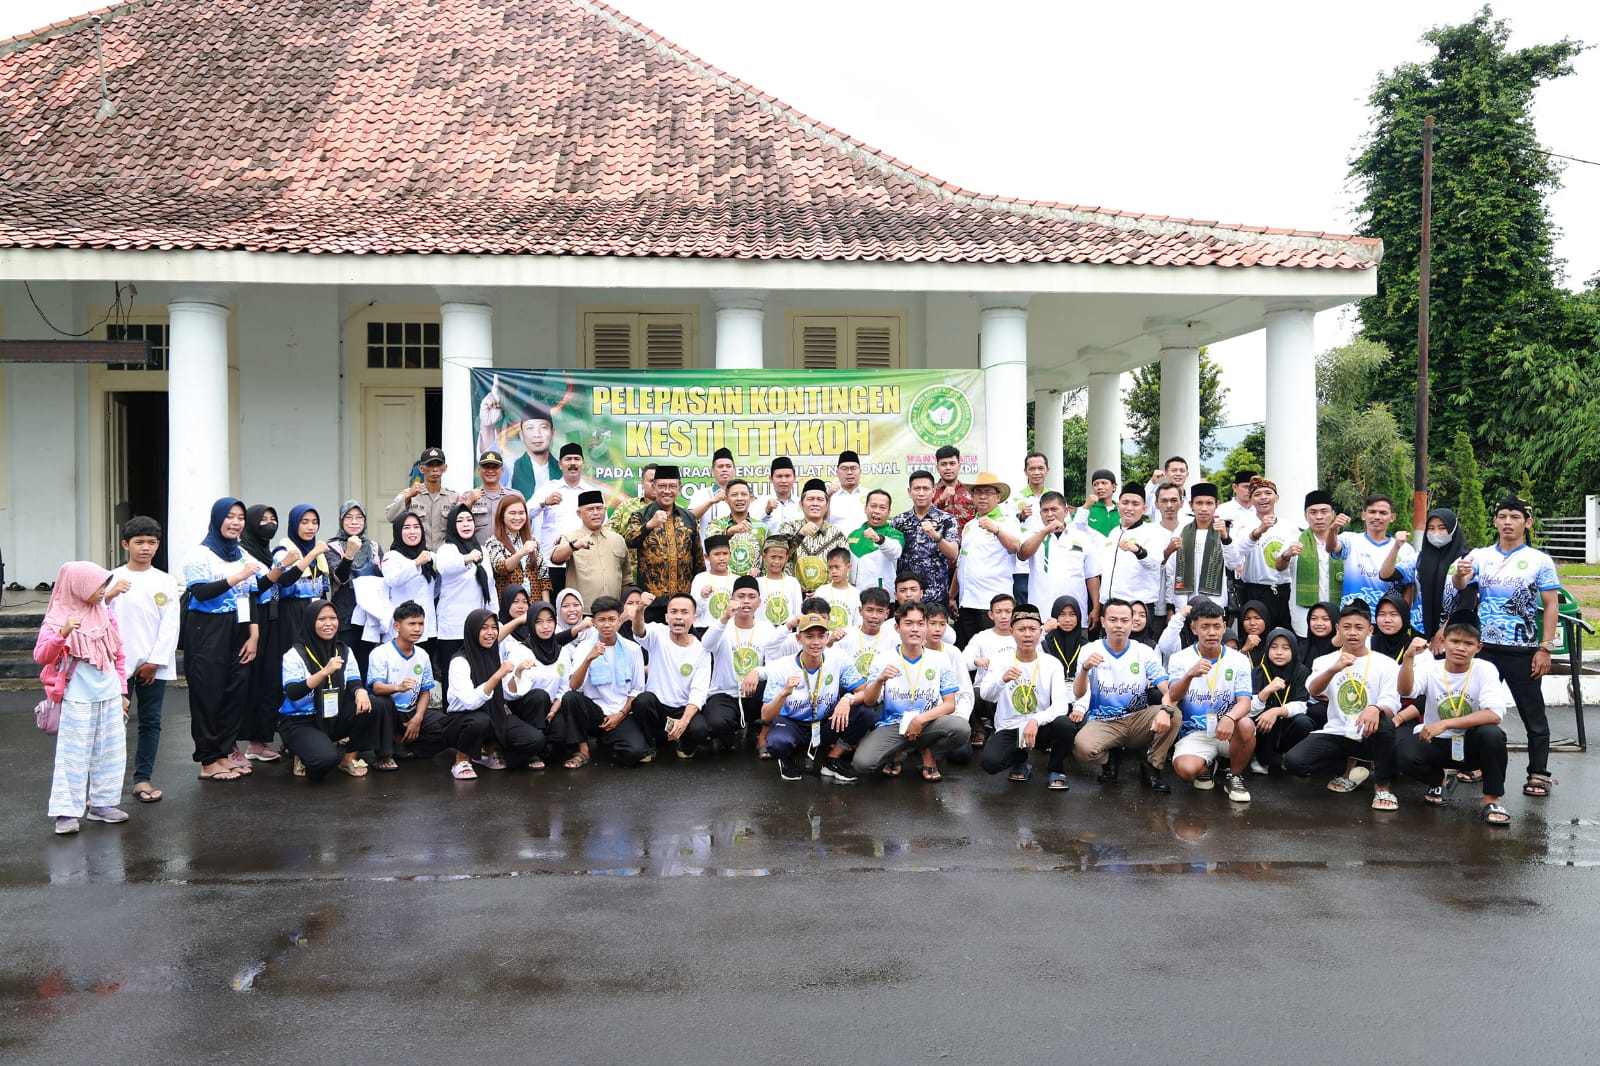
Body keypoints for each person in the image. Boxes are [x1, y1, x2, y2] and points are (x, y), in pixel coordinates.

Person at [1451, 496, 1561, 799]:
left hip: (1523, 649)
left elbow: (1551, 605)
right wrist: (1460, 575)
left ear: (1527, 522)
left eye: (1515, 516)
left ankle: (1539, 773)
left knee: (1533, 715)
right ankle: (1476, 765)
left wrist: (1545, 648)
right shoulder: (1480, 555)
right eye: (1503, 516)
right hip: (1483, 649)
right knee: (1476, 709)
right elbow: (1462, 587)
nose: (1508, 522)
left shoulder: (1540, 560)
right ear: (1496, 521)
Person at [38, 563, 130, 834]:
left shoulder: (104, 613)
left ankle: (103, 805)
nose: (103, 591)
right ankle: (66, 812)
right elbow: (42, 656)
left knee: (111, 753)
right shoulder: (58, 617)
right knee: (73, 756)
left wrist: (122, 691)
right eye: (99, 586)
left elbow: (118, 654)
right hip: (76, 696)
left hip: (109, 693)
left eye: (104, 585)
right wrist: (63, 634)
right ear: (79, 586)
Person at [1394, 616, 1513, 825]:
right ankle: (1438, 782)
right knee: (1402, 752)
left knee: (1492, 735)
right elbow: (1405, 691)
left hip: (1470, 745)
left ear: (1478, 647)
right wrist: (1408, 658)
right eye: (1455, 641)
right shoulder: (1431, 669)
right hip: (1436, 742)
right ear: (1443, 642)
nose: (1460, 648)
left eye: (1468, 644)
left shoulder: (1485, 669)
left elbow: (1494, 714)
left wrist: (1445, 723)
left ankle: (1492, 801)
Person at [1288, 600, 1402, 811]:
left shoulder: (1386, 663)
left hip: (1370, 732)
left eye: (1359, 628)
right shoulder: (1325, 661)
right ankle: (1349, 767)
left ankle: (1382, 788)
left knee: (1385, 723)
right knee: (1294, 762)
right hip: (1339, 732)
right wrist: (1333, 669)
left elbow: (1391, 702)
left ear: (1370, 630)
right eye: (1346, 627)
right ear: (1338, 629)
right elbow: (1313, 691)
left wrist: (1374, 708)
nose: (1352, 633)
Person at [182, 498, 262, 783]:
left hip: (239, 627)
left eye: (240, 517)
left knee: (234, 692)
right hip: (207, 628)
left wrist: (254, 634)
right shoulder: (200, 555)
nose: (236, 522)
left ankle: (224, 753)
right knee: (208, 694)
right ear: (217, 519)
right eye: (230, 516)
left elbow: (251, 594)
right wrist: (238, 576)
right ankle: (208, 760)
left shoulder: (240, 553)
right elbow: (201, 592)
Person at [850, 600, 968, 782]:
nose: (915, 629)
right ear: (897, 628)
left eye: (920, 624)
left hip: (928, 722)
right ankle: (899, 751)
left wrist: (920, 720)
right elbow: (869, 702)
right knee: (862, 764)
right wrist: (880, 680)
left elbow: (950, 704)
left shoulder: (940, 659)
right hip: (893, 724)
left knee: (960, 729)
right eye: (908, 624)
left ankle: (929, 754)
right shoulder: (883, 659)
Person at [109, 517, 180, 805]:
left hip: (154, 665)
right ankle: (106, 786)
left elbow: (170, 625)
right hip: (116, 665)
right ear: (126, 544)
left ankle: (142, 779)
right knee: (112, 725)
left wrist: (155, 660)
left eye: (152, 542)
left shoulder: (164, 580)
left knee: (150, 722)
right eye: (139, 542)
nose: (146, 548)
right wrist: (109, 594)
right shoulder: (111, 578)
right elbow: (99, 618)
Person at [1071, 599, 1175, 792]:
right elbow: (1078, 693)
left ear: (1131, 622)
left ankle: (1152, 767)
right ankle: (1111, 757)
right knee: (1082, 749)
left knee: (1174, 712)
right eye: (1113, 619)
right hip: (1104, 721)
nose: (1119, 625)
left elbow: (1167, 689)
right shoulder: (1090, 650)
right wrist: (1085, 668)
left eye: (1124, 620)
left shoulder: (1143, 652)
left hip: (1137, 719)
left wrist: (1166, 709)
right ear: (1103, 621)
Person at [758, 611, 873, 782]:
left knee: (865, 712)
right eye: (809, 636)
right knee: (777, 743)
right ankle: (787, 759)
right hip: (793, 724)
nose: (816, 642)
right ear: (799, 639)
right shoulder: (781, 667)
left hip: (824, 723)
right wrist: (784, 693)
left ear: (827, 638)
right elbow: (765, 716)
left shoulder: (838, 658)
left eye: (821, 636)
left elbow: (865, 692)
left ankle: (832, 760)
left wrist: (847, 699)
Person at [976, 602, 1077, 790]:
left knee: (1065, 724)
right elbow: (985, 694)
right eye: (1022, 629)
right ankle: (1020, 760)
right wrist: (1002, 679)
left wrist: (1036, 721)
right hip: (1010, 726)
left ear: (1040, 632)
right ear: (1012, 631)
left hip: (1041, 727)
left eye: (1032, 629)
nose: (1028, 634)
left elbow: (1062, 705)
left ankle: (1056, 769)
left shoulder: (1051, 663)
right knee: (990, 763)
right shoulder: (1001, 659)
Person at [1163, 598, 1256, 802]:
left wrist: (1230, 718)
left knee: (1247, 724)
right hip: (1195, 732)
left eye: (1216, 626)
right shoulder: (1180, 659)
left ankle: (1234, 775)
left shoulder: (1238, 659)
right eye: (1205, 627)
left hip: (1227, 730)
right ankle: (1207, 767)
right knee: (1186, 771)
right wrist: (1189, 675)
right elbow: (1174, 695)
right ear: (1194, 628)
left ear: (1224, 627)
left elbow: (1245, 702)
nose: (1212, 632)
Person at [276, 599, 378, 780]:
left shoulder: (343, 650)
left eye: (333, 618)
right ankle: (300, 751)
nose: (329, 623)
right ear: (310, 622)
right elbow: (293, 692)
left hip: (332, 716)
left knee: (374, 704)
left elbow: (354, 680)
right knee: (323, 761)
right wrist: (324, 672)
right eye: (322, 619)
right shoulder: (294, 654)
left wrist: (360, 691)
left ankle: (348, 759)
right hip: (301, 721)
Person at [444, 609, 551, 778]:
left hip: (494, 714)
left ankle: (487, 751)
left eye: (494, 627)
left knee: (535, 739)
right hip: (463, 719)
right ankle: (461, 759)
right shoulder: (459, 661)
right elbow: (469, 701)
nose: (490, 633)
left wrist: (518, 673)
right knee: (480, 721)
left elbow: (506, 692)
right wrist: (497, 675)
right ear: (472, 631)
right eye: (484, 628)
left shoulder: (493, 653)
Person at [549, 596, 650, 769]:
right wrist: (589, 659)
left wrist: (621, 715)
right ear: (594, 622)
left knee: (636, 753)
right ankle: (583, 749)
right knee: (571, 698)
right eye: (601, 620)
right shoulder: (585, 646)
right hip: (593, 713)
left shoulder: (632, 649)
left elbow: (637, 689)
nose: (607, 625)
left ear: (619, 621)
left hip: (620, 713)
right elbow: (574, 685)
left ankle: (609, 741)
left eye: (612, 619)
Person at [626, 592, 715, 758]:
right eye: (674, 612)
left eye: (684, 612)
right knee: (642, 701)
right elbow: (638, 631)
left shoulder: (701, 650)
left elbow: (699, 691)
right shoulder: (657, 633)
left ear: (694, 618)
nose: (679, 617)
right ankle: (649, 744)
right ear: (666, 617)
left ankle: (682, 745)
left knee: (700, 730)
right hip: (658, 707)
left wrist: (684, 721)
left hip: (682, 708)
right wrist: (640, 609)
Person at [700, 576, 784, 751]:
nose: (746, 601)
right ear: (732, 600)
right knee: (716, 723)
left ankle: (757, 726)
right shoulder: (722, 625)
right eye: (740, 596)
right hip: (725, 694)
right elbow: (706, 645)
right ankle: (732, 734)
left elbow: (776, 666)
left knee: (779, 689)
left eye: (751, 596)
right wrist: (725, 617)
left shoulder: (766, 628)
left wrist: (758, 672)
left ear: (759, 602)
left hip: (754, 693)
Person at [364, 600, 448, 768]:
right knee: (380, 702)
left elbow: (425, 691)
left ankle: (407, 748)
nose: (417, 629)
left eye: (421, 624)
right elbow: (376, 688)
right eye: (411, 624)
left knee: (449, 727)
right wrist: (398, 687)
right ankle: (384, 756)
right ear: (396, 626)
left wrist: (418, 718)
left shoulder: (423, 655)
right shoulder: (381, 653)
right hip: (389, 713)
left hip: (410, 711)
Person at [623, 465, 704, 617]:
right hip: (652, 602)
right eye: (662, 486)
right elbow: (629, 540)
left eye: (672, 486)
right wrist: (649, 525)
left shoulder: (689, 517)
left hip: (683, 601)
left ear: (679, 488)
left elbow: (698, 559)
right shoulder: (641, 516)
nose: (667, 491)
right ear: (654, 487)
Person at [1018, 491, 1102, 629]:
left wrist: (1097, 607)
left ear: (1066, 510)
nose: (1050, 514)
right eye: (1045, 510)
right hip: (1042, 615)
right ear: (1040, 514)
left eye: (1054, 509)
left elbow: (1092, 575)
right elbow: (1022, 555)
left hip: (1075, 615)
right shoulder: (1033, 535)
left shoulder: (1083, 538)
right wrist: (1045, 531)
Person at [955, 473, 1022, 645]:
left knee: (993, 651)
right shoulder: (970, 525)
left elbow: (1016, 547)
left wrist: (996, 530)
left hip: (992, 603)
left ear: (998, 496)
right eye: (978, 492)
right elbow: (962, 562)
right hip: (967, 600)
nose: (983, 496)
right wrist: (951, 596)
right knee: (970, 652)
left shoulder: (1007, 521)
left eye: (988, 492)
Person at [432, 505, 492, 695]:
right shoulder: (447, 550)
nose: (465, 524)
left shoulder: (482, 550)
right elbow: (445, 567)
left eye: (469, 520)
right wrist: (467, 558)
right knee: (452, 680)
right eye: (459, 521)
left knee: (476, 677)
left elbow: (489, 586)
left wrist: (494, 618)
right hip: (453, 627)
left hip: (478, 627)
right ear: (451, 525)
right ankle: (451, 720)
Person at [533, 442, 606, 594]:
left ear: (583, 464)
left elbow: (602, 527)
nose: (572, 463)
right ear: (560, 464)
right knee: (553, 611)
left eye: (577, 459)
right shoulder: (549, 489)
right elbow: (525, 513)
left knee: (582, 610)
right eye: (568, 459)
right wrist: (544, 502)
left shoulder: (592, 492)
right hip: (553, 564)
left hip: (584, 564)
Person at [1324, 494, 1414, 613]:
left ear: (1392, 517)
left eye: (1383, 513)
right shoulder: (1350, 540)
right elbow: (1331, 548)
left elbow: (1409, 586)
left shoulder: (1405, 548)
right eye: (1372, 512)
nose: (1377, 517)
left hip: (1386, 619)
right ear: (1363, 515)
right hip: (1353, 616)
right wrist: (1333, 529)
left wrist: (1403, 616)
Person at [1393, 507, 1467, 648]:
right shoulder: (1419, 558)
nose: (1436, 533)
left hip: (1451, 633)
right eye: (1431, 528)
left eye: (1442, 528)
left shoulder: (1466, 560)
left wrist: (1442, 631)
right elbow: (1386, 575)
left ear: (1453, 529)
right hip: (1419, 630)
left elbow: (1467, 602)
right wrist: (1396, 546)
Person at [330, 500, 385, 677]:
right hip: (345, 615)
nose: (354, 522)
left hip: (370, 615)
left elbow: (383, 577)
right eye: (349, 518)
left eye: (359, 518)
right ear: (341, 520)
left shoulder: (374, 546)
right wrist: (349, 554)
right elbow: (340, 577)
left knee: (367, 664)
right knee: (345, 664)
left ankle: (366, 702)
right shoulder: (333, 547)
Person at [1250, 627, 1315, 774]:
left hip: (1288, 723)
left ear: (1294, 650)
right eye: (1274, 647)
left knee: (1303, 722)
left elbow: (1303, 704)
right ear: (1267, 649)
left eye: (1285, 648)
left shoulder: (1301, 671)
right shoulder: (1258, 671)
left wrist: (1277, 711)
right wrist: (1266, 691)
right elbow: (1249, 708)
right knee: (1262, 716)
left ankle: (1290, 757)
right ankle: (1260, 759)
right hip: (1264, 727)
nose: (1279, 652)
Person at [1167, 483, 1239, 614]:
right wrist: (1171, 606)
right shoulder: (1181, 531)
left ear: (1217, 504)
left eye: (1209, 503)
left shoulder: (1226, 530)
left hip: (1215, 602)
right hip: (1185, 604)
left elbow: (1234, 564)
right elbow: (1171, 572)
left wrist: (1225, 538)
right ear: (1191, 505)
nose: (1204, 508)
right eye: (1199, 503)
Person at [891, 470, 960, 606]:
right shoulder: (899, 521)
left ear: (933, 492)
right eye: (917, 489)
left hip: (936, 597)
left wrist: (936, 536)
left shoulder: (946, 519)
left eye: (926, 489)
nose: (921, 493)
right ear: (909, 492)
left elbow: (953, 554)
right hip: (907, 597)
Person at [1235, 476, 1295, 633]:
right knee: (1255, 638)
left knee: (1283, 637)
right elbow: (1240, 550)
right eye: (1257, 494)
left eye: (1268, 493)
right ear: (1252, 499)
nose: (1263, 498)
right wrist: (1258, 531)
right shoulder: (1243, 523)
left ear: (1277, 497)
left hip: (1284, 591)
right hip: (1255, 591)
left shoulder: (1289, 526)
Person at [1096, 484, 1165, 617]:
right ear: (1118, 505)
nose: (1129, 508)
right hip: (1110, 607)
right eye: (1125, 503)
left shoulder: (1152, 532)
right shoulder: (1114, 532)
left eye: (1135, 504)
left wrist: (1138, 551)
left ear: (1144, 508)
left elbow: (1155, 564)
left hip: (1137, 608)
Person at [385, 447, 474, 550]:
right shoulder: (409, 493)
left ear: (444, 468)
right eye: (430, 465)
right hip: (417, 555)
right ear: (421, 469)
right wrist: (408, 496)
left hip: (444, 557)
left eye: (438, 465)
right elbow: (390, 516)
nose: (435, 469)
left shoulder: (454, 497)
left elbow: (463, 526)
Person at [551, 489, 629, 607]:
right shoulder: (570, 537)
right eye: (590, 509)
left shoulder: (618, 540)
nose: (596, 513)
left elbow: (626, 579)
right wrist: (574, 545)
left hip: (613, 612)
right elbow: (555, 558)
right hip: (582, 612)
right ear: (579, 513)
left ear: (605, 510)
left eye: (599, 508)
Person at [1283, 490, 1345, 634]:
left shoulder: (1344, 543)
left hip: (1337, 610)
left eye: (1324, 512)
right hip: (1304, 613)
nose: (1319, 517)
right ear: (1306, 515)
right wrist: (1286, 554)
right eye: (1313, 512)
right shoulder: (1294, 540)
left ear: (1333, 514)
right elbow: (1279, 566)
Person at [780, 479, 849, 595]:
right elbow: (780, 555)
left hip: (827, 597)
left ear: (827, 506)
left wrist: (824, 592)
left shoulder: (837, 534)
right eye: (810, 499)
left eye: (820, 500)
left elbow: (843, 569)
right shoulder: (788, 527)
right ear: (801, 505)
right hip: (792, 595)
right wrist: (799, 535)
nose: (815, 503)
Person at [380, 514, 437, 645]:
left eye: (416, 527)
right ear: (398, 532)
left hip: (428, 628)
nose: (412, 531)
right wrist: (416, 563)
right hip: (402, 631)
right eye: (406, 527)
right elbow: (393, 579)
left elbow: (437, 587)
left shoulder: (429, 556)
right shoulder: (391, 557)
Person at [484, 494, 550, 606]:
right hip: (509, 608)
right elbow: (501, 567)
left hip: (534, 608)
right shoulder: (493, 542)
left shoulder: (532, 541)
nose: (518, 518)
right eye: (512, 513)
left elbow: (543, 577)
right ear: (501, 516)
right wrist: (521, 553)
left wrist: (546, 606)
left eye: (521, 513)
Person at [1010, 452, 1052, 603]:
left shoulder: (1056, 497)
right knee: (1024, 608)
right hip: (1023, 566)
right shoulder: (1015, 498)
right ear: (1025, 471)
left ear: (1047, 470)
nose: (1036, 472)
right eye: (1032, 469)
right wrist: (1020, 517)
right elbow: (1007, 527)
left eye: (1041, 468)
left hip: (1049, 562)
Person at [501, 398, 561, 499]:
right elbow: (487, 465)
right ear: (521, 435)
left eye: (543, 427)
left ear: (553, 433)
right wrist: (487, 428)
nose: (537, 435)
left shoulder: (562, 471)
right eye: (530, 428)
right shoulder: (510, 467)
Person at [846, 489, 904, 594]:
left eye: (882, 508)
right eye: (873, 506)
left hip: (882, 597)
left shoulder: (894, 534)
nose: (877, 511)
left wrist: (879, 539)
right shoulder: (853, 534)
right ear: (865, 508)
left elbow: (895, 552)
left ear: (888, 512)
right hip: (854, 596)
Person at [707, 478, 767, 577]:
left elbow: (767, 559)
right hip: (723, 584)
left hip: (753, 585)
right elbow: (711, 543)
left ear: (751, 498)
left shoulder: (762, 528)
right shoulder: (717, 524)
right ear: (726, 499)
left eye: (744, 494)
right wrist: (731, 531)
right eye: (734, 495)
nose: (739, 498)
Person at [608, 463, 656, 583]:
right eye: (651, 481)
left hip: (664, 578)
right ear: (642, 483)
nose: (655, 485)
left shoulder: (674, 510)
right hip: (631, 577)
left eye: (658, 481)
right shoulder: (627, 506)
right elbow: (609, 534)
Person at [468, 449, 523, 546]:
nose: (490, 471)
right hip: (478, 555)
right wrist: (469, 503)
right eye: (486, 467)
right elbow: (457, 523)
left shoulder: (514, 496)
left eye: (495, 467)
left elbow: (524, 525)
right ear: (479, 470)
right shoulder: (469, 496)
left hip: (509, 555)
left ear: (502, 470)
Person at [1149, 481, 1187, 619]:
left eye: (1174, 500)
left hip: (1184, 602)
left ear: (1182, 502)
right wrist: (1168, 550)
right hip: (1155, 602)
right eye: (1164, 501)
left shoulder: (1189, 529)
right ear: (1156, 504)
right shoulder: (1148, 532)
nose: (1169, 505)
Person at [690, 534, 738, 631]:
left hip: (729, 630)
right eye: (716, 554)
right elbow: (693, 611)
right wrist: (702, 596)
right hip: (704, 629)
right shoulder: (700, 578)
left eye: (725, 554)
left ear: (730, 554)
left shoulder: (736, 580)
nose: (721, 558)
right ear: (707, 556)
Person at [689, 447, 740, 537]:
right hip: (708, 549)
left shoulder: (742, 495)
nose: (724, 469)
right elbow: (689, 518)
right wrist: (711, 501)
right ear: (712, 471)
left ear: (734, 470)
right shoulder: (701, 494)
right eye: (720, 466)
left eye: (728, 466)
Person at [755, 537, 803, 629]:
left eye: (781, 558)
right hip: (763, 634)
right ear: (764, 556)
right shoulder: (757, 582)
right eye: (773, 557)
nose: (776, 562)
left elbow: (798, 613)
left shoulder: (792, 582)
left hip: (787, 634)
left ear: (787, 558)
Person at [817, 547, 861, 634]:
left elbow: (858, 624)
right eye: (830, 567)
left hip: (847, 641)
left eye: (837, 567)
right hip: (824, 641)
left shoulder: (857, 594)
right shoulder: (821, 591)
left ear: (848, 567)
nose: (833, 571)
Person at [931, 445, 975, 530]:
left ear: (959, 466)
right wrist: (941, 499)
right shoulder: (929, 492)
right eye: (943, 464)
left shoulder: (971, 491)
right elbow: (922, 517)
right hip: (939, 541)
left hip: (967, 541)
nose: (948, 468)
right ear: (937, 468)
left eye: (952, 463)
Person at [826, 449, 868, 532]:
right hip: (836, 543)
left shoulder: (870, 495)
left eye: (853, 468)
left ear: (860, 471)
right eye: (844, 469)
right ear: (837, 472)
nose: (849, 472)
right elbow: (820, 521)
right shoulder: (829, 496)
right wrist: (828, 496)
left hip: (865, 543)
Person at [761, 456, 804, 533]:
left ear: (794, 478)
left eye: (787, 476)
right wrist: (766, 512)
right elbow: (753, 528)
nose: (783, 481)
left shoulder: (802, 504)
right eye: (779, 476)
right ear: (771, 479)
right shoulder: (759, 503)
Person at [1074, 468, 1120, 539]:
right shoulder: (1085, 510)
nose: (1099, 487)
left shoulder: (1121, 511)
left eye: (1104, 483)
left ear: (1114, 487)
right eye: (1095, 484)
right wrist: (1086, 507)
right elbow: (1073, 530)